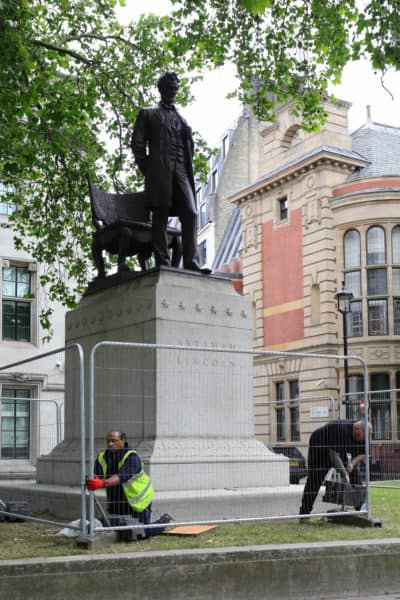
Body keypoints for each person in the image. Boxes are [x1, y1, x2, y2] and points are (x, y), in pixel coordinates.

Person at [131, 71, 209, 273]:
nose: (173, 90)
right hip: (159, 172)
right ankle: (163, 261)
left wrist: (189, 138)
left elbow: (188, 151)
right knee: (160, 215)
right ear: (161, 89)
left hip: (181, 170)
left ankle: (191, 261)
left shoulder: (182, 120)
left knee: (191, 212)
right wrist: (149, 169)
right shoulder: (147, 114)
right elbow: (137, 145)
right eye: (170, 87)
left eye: (176, 88)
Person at [86, 430, 172, 537]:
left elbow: (122, 476)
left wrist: (102, 483)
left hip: (138, 502)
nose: (110, 444)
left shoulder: (132, 457)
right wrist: (91, 479)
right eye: (108, 441)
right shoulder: (102, 457)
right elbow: (96, 475)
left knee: (140, 533)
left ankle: (163, 522)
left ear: (122, 441)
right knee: (119, 530)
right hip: (117, 502)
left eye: (114, 441)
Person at [299, 419, 372, 517]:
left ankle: (360, 510)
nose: (364, 440)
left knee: (355, 479)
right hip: (320, 448)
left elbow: (363, 453)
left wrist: (352, 464)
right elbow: (333, 455)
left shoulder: (363, 435)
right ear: (357, 430)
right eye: (363, 437)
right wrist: (344, 474)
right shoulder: (339, 429)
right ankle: (304, 514)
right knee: (315, 480)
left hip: (339, 450)